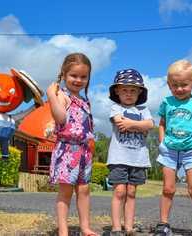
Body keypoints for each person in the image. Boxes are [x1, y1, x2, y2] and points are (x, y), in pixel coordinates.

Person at [154, 59, 192, 236]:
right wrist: (162, 142)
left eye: (184, 85)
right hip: (170, 151)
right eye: (174, 85)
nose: (179, 89)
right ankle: (163, 224)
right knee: (168, 189)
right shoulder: (167, 102)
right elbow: (162, 123)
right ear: (169, 84)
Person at [47, 53, 98, 236]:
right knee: (66, 192)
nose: (78, 80)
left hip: (84, 151)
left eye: (83, 76)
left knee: (84, 190)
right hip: (67, 150)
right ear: (64, 75)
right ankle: (63, 230)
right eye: (74, 76)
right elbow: (60, 118)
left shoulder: (85, 101)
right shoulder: (61, 96)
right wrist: (51, 96)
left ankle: (85, 227)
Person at [107, 69, 154, 236]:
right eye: (124, 90)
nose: (128, 94)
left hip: (138, 158)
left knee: (132, 192)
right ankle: (116, 228)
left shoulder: (144, 110)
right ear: (117, 91)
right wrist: (140, 126)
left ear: (139, 92)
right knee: (119, 191)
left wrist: (134, 125)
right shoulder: (116, 108)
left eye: (133, 90)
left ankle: (128, 227)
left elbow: (150, 125)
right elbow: (120, 124)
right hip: (119, 157)